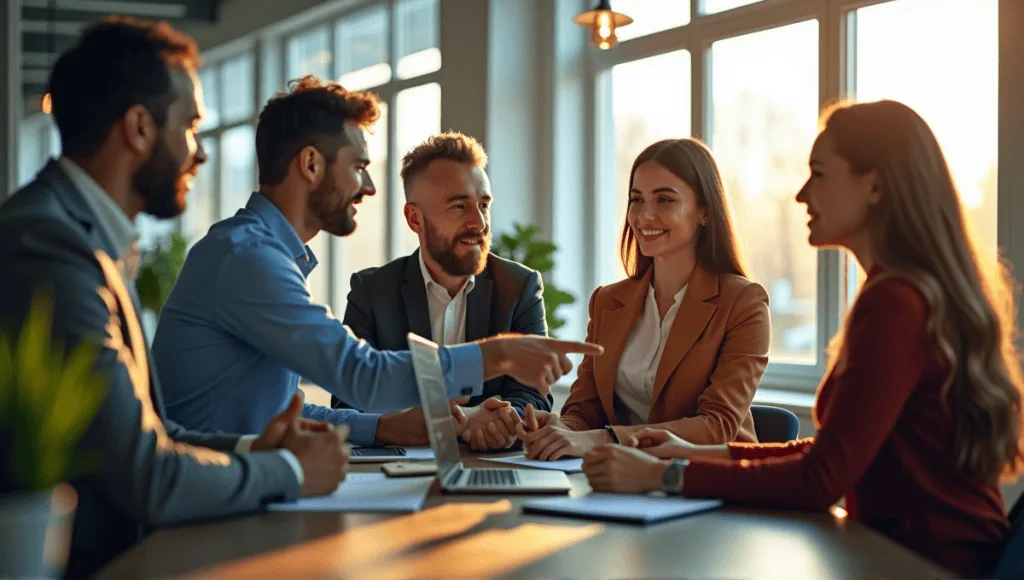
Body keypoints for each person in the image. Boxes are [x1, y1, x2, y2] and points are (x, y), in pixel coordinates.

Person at [582, 100, 1023, 577]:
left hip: (927, 565)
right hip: (911, 554)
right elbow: (827, 453)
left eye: (819, 173)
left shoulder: (896, 302)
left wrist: (664, 475)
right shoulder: (902, 292)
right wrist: (687, 451)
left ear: (874, 184)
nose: (801, 194)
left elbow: (820, 479)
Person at [0, 19, 351, 579]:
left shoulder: (80, 237)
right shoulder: (50, 245)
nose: (199, 153)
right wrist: (286, 472)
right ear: (139, 127)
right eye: (189, 126)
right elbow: (147, 478)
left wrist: (255, 450)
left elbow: (151, 436)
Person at [151, 77, 602, 447]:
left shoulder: (263, 255)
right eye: (359, 165)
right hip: (205, 502)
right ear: (311, 164)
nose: (367, 186)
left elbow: (282, 407)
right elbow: (362, 377)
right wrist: (500, 354)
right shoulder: (249, 260)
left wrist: (386, 427)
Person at [518, 138, 770, 460]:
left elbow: (716, 426)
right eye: (636, 200)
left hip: (704, 480)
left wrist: (604, 439)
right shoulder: (608, 301)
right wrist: (559, 428)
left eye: (664, 200)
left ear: (704, 212)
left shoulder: (743, 302)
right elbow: (585, 410)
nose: (644, 215)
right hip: (621, 478)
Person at [335, 132, 551, 451]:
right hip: (398, 467)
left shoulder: (519, 286)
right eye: (459, 207)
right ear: (415, 218)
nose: (479, 223)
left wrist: (501, 421)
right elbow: (347, 401)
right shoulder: (371, 291)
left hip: (490, 463)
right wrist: (459, 419)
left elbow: (536, 395)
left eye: (484, 205)